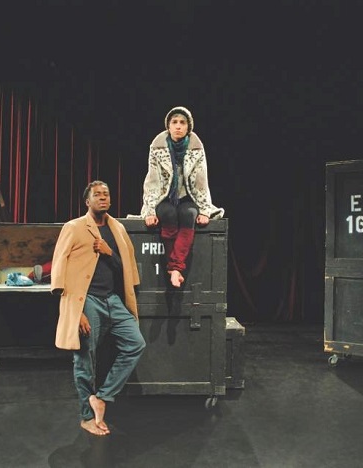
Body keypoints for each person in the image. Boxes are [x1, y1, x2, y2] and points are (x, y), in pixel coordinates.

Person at [51, 180, 146, 436]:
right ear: (87, 201)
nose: (103, 198)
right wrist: (76, 311)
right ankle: (86, 416)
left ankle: (102, 397)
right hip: (88, 301)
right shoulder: (74, 227)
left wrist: (108, 252)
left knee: (135, 344)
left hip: (113, 300)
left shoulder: (118, 229)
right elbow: (59, 267)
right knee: (85, 359)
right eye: (97, 195)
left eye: (106, 194)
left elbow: (126, 267)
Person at [141, 106, 224, 287]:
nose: (178, 126)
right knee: (169, 214)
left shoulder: (196, 148)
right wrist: (149, 211)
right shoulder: (157, 147)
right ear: (168, 126)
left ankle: (175, 268)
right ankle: (176, 268)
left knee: (188, 215)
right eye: (174, 122)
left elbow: (201, 181)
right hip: (164, 197)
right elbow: (153, 181)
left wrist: (204, 210)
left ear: (188, 127)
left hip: (188, 197)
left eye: (182, 123)